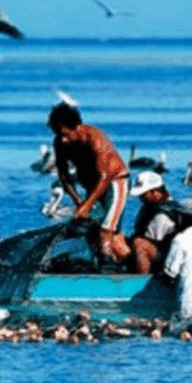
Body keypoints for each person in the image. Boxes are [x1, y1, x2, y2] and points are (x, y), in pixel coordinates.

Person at [48, 101, 130, 262]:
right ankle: (112, 262)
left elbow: (104, 177)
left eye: (65, 134)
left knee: (106, 231)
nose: (62, 139)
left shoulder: (95, 139)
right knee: (94, 232)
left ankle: (114, 264)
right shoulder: (60, 143)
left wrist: (87, 205)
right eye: (57, 133)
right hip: (93, 187)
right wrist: (78, 202)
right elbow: (64, 176)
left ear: (77, 127)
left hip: (115, 182)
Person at [124, 171, 177, 274]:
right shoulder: (148, 207)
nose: (140, 197)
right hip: (157, 251)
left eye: (143, 194)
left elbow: (154, 242)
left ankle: (141, 279)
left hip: (167, 257)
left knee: (139, 244)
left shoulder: (163, 215)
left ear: (155, 191)